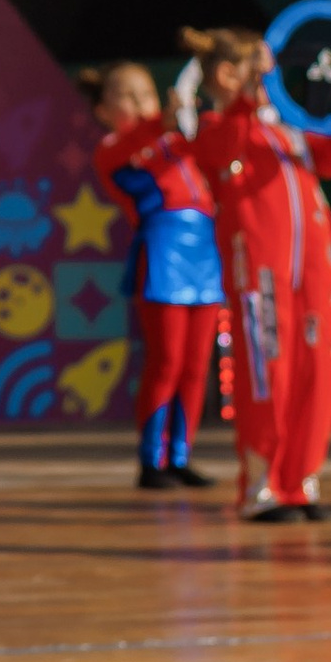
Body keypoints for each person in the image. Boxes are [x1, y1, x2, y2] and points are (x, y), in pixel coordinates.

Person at [183, 24, 331, 523]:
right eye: (257, 66)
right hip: (261, 278)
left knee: (318, 373)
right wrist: (247, 100)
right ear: (228, 74)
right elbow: (222, 152)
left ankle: (301, 481)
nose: (270, 74)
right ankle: (262, 488)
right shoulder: (217, 129)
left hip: (315, 273)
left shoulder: (289, 129)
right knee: (268, 374)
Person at [82, 59, 223, 491]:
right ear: (103, 110)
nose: (139, 102)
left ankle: (180, 455)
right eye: (127, 96)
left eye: (145, 93)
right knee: (167, 360)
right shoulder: (112, 149)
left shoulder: (176, 137)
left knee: (197, 366)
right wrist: (165, 121)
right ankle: (151, 459)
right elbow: (136, 144)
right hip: (163, 252)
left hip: (206, 251)